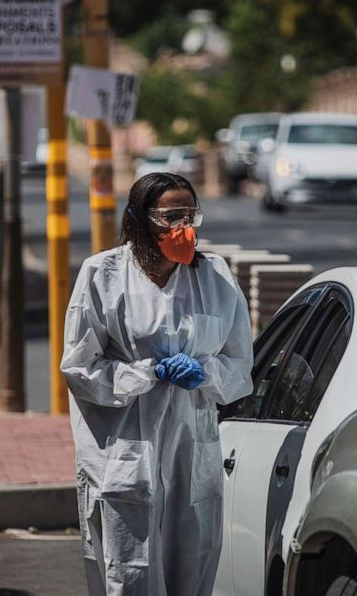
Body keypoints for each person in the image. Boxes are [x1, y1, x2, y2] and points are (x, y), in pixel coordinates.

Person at [61, 172, 254, 596]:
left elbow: (241, 369)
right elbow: (79, 367)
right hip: (124, 450)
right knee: (127, 567)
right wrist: (143, 373)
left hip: (191, 448)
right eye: (171, 216)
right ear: (141, 219)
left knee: (192, 558)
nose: (183, 227)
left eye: (190, 215)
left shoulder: (216, 279)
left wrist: (206, 373)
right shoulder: (103, 275)